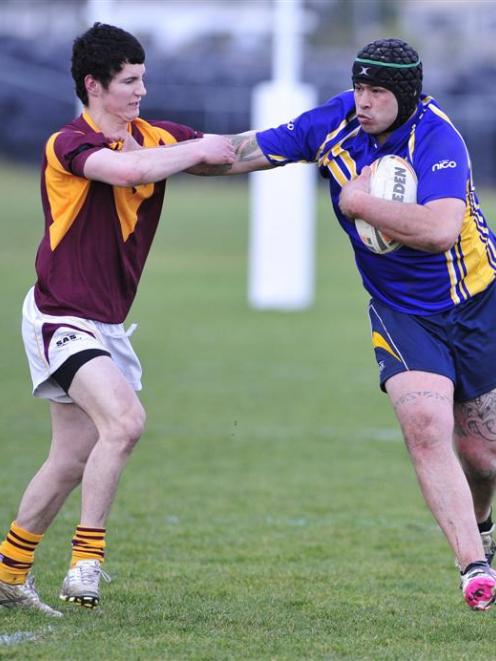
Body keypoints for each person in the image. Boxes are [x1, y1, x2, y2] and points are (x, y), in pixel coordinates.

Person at [206, 38, 496, 611]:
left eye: (377, 92)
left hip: (477, 301)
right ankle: (474, 566)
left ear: (406, 94)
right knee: (423, 424)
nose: (363, 101)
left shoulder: (438, 139)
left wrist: (357, 204)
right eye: (359, 87)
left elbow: (439, 229)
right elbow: (239, 153)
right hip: (400, 310)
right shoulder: (334, 123)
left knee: (483, 455)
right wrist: (149, 155)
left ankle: (481, 521)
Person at [0, 22, 235, 616]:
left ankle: (8, 572)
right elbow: (129, 172)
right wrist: (192, 151)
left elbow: (231, 151)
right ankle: (87, 561)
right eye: (130, 82)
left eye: (143, 79)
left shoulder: (154, 136)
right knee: (126, 422)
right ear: (93, 85)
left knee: (70, 459)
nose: (141, 92)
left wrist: (322, 137)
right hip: (60, 314)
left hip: (103, 322)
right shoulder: (67, 143)